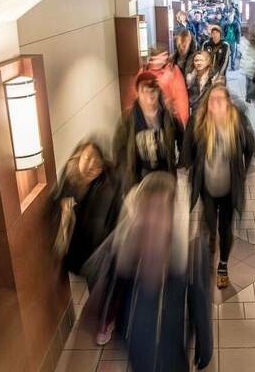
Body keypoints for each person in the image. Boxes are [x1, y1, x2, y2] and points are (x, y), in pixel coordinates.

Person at [84, 172, 213, 370]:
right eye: (146, 209)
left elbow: (201, 305)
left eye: (160, 210)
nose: (152, 218)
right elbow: (105, 299)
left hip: (174, 358)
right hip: (138, 355)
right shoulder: (123, 256)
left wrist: (205, 345)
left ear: (173, 216)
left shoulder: (191, 258)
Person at [182, 84, 255, 288]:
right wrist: (191, 168)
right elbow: (186, 149)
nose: (215, 103)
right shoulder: (198, 122)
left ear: (228, 103)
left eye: (220, 99)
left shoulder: (238, 122)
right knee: (208, 225)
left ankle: (223, 265)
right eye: (212, 100)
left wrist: (243, 172)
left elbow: (251, 147)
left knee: (225, 229)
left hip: (229, 189)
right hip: (207, 188)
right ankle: (209, 247)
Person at [52, 141, 124, 277]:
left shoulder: (109, 183)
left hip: (101, 254)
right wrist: (63, 208)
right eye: (87, 158)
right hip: (78, 254)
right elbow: (55, 203)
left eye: (97, 164)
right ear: (79, 155)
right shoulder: (69, 177)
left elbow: (116, 216)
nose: (91, 166)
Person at [112, 72, 183, 193]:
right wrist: (126, 178)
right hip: (140, 177)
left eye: (153, 91)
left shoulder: (168, 115)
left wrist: (181, 164)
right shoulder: (129, 119)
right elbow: (119, 151)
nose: (150, 96)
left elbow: (182, 138)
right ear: (137, 93)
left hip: (165, 174)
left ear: (158, 92)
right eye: (145, 91)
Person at [143, 47, 190, 125]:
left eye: (165, 56)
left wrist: (182, 121)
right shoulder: (144, 72)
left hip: (168, 118)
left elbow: (181, 97)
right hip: (148, 119)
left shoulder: (173, 71)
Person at [239, 26, 255, 100]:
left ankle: (248, 97)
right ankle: (254, 95)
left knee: (248, 82)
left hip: (248, 66)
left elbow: (242, 52)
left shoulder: (246, 43)